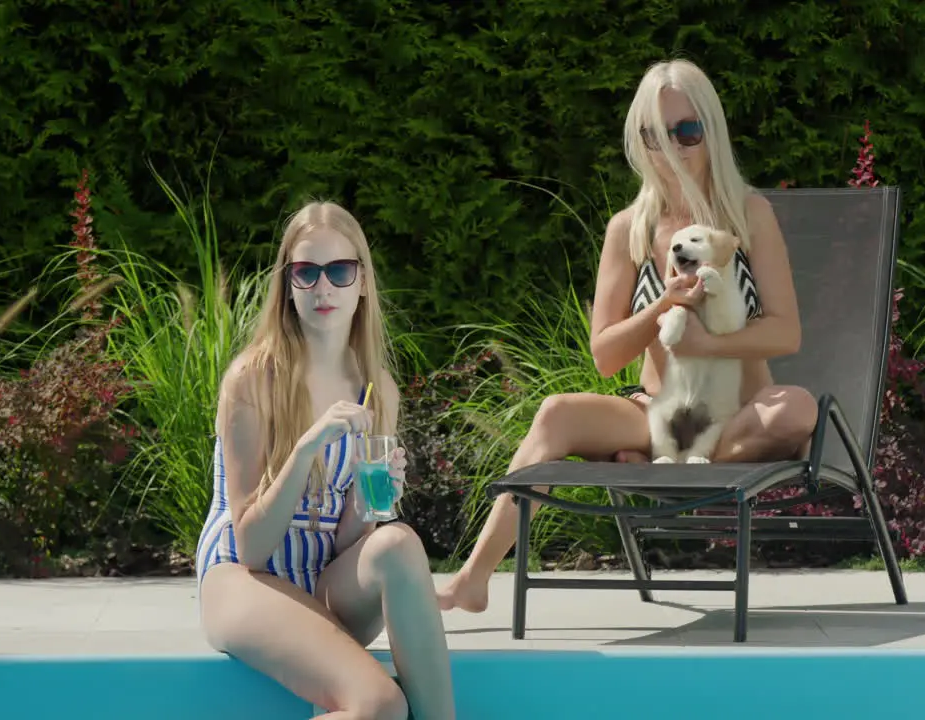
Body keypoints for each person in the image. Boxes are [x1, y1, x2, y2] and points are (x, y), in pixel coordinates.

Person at [437, 58, 819, 614]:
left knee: (798, 408)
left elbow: (787, 331)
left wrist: (707, 344)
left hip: (738, 413)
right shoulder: (631, 229)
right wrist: (664, 304)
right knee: (555, 414)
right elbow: (605, 355)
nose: (674, 149)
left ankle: (692, 461)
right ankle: (474, 577)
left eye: (687, 131)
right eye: (656, 135)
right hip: (656, 415)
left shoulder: (747, 216)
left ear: (711, 129)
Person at [196, 200, 456, 720]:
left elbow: (345, 541)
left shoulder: (376, 389)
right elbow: (250, 545)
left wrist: (366, 502)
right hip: (244, 577)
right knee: (380, 704)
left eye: (339, 271)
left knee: (399, 542)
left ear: (362, 282)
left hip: (319, 574)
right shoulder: (253, 380)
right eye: (306, 273)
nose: (323, 289)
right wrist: (306, 446)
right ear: (288, 286)